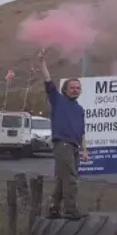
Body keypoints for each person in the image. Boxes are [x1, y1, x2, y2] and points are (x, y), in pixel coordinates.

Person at [38, 52, 88, 220]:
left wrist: (84, 150)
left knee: (62, 179)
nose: (75, 90)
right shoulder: (57, 100)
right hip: (62, 145)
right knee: (71, 179)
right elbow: (47, 80)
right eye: (72, 87)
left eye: (78, 88)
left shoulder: (80, 110)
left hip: (74, 146)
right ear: (65, 89)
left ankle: (53, 209)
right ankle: (70, 210)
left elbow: (82, 132)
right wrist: (42, 63)